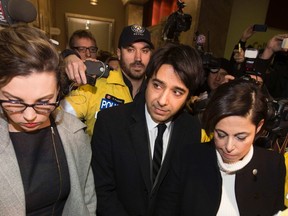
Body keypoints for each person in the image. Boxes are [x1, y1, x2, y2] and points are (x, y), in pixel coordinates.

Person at [91, 42, 206, 216]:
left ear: (189, 96)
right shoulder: (111, 122)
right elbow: (102, 191)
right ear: (147, 80)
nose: (162, 100)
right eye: (157, 85)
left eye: (177, 92)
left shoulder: (191, 129)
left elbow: (180, 193)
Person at [0, 25, 96, 215]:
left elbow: (86, 198)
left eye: (43, 102)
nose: (29, 116)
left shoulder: (74, 133)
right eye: (14, 101)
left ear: (59, 92)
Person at [154, 78, 286, 216]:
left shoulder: (273, 165)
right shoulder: (187, 159)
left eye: (240, 137)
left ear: (258, 127)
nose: (229, 147)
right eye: (221, 134)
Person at [61, 24, 153, 136]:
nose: (138, 58)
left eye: (144, 51)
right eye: (130, 50)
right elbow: (58, 117)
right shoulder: (95, 86)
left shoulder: (157, 91)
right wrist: (66, 57)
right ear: (119, 53)